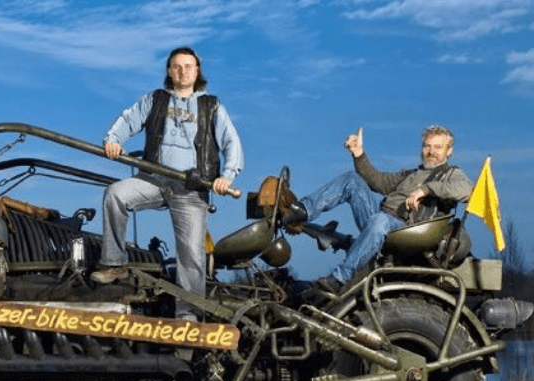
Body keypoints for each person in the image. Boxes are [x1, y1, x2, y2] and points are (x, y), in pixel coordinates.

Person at [90, 46, 244, 320]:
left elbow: (231, 142)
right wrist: (113, 140)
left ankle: (188, 315)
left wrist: (226, 176)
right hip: (154, 179)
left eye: (188, 66)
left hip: (191, 189)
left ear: (197, 71)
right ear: (169, 72)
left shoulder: (211, 106)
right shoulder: (156, 100)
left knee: (192, 253)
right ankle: (114, 263)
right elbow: (128, 120)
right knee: (115, 194)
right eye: (177, 66)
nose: (183, 71)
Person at [281, 125, 473, 292]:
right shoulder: (411, 174)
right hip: (380, 219)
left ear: (449, 151)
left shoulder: (451, 174)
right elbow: (378, 181)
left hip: (407, 231)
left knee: (380, 220)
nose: (431, 151)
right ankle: (301, 211)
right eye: (427, 146)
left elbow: (466, 190)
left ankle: (340, 278)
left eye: (438, 147)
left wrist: (425, 189)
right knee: (352, 180)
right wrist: (359, 154)